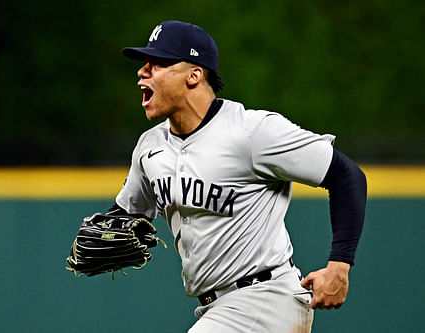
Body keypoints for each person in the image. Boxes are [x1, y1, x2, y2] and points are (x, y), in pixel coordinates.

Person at [108, 20, 367, 332]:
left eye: (158, 63)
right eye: (144, 64)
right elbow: (127, 213)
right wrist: (110, 228)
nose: (142, 71)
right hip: (216, 307)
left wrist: (339, 266)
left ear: (194, 75)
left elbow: (345, 174)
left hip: (265, 299)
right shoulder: (149, 147)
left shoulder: (252, 132)